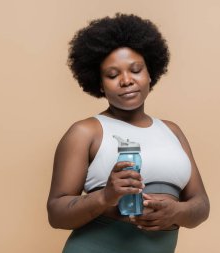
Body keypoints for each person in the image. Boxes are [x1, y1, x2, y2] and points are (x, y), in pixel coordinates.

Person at [47, 13, 210, 253]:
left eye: (136, 70)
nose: (126, 80)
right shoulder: (86, 132)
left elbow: (201, 205)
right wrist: (106, 196)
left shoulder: (172, 131)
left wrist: (177, 212)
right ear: (100, 84)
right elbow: (56, 214)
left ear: (150, 74)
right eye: (112, 75)